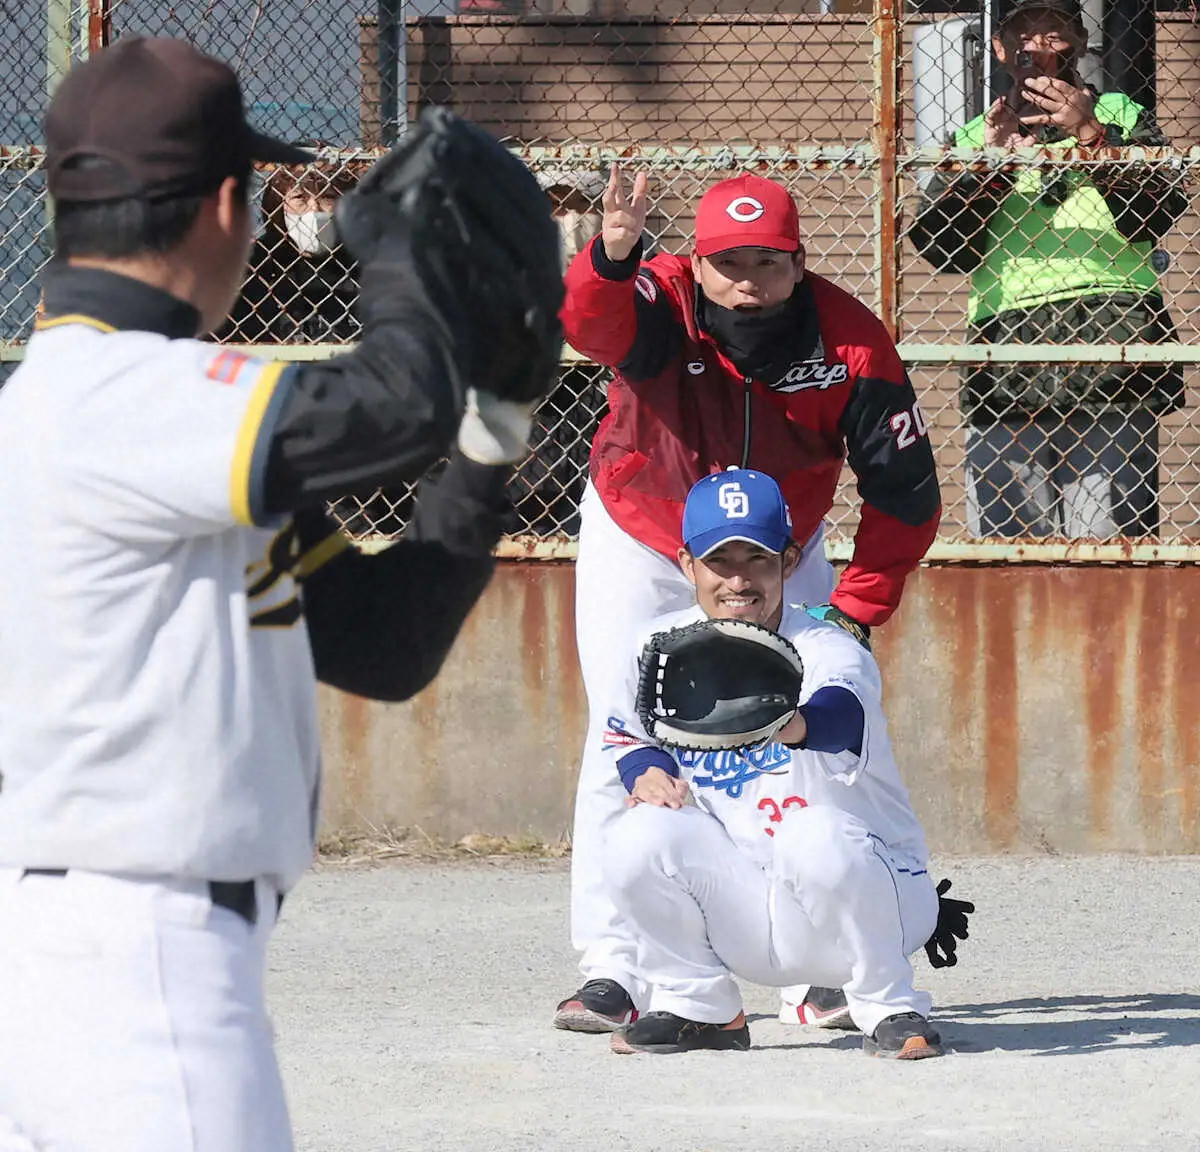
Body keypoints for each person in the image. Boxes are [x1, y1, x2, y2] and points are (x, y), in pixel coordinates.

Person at [0, 38, 558, 1151]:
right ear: (224, 206)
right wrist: (395, 255)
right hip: (132, 956)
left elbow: (382, 642)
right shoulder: (117, 394)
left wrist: (490, 437)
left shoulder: (131, 419)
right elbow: (394, 405)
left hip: (118, 951)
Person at [554, 167, 941, 1033]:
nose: (748, 280)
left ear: (799, 263)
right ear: (698, 262)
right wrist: (610, 257)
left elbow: (907, 492)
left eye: (768, 261)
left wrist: (856, 607)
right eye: (728, 262)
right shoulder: (661, 297)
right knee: (623, 728)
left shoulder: (849, 341)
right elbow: (590, 328)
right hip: (645, 528)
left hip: (774, 549)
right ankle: (616, 966)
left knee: (800, 733)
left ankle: (823, 964)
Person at [600, 468, 942, 1059]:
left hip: (880, 898)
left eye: (756, 558)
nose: (738, 579)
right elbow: (628, 735)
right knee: (637, 834)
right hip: (755, 910)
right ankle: (698, 1007)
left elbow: (842, 714)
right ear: (687, 564)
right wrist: (645, 771)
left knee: (813, 833)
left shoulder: (827, 644)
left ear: (788, 561)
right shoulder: (659, 646)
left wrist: (790, 722)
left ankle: (888, 1005)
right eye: (719, 559)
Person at [909, 0, 1186, 539]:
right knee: (1009, 541)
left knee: (1108, 538)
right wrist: (991, 166)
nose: (1038, 47)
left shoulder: (1120, 112)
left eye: (1054, 33)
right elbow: (943, 250)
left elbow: (1158, 212)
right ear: (1000, 49)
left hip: (1113, 329)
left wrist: (1092, 135)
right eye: (1023, 34)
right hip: (1004, 339)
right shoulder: (974, 134)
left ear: (1078, 43)